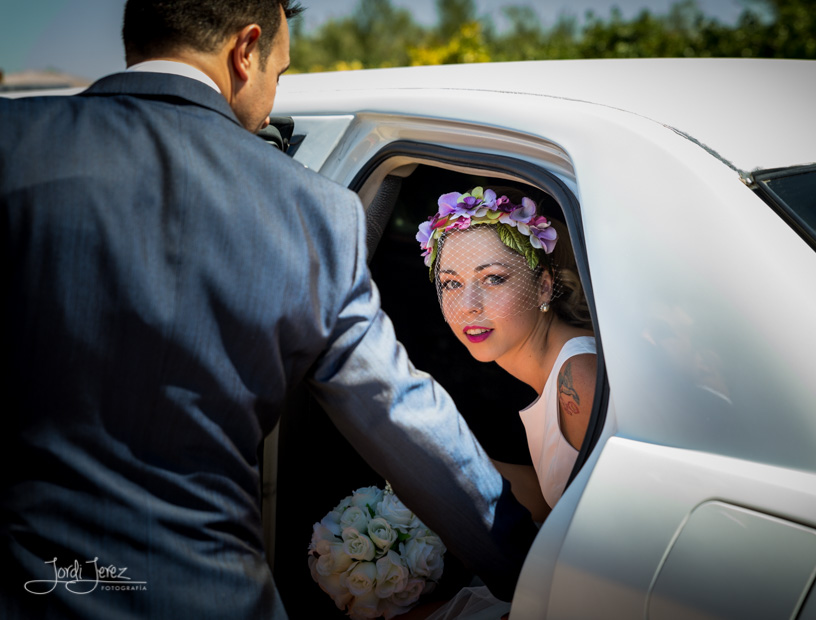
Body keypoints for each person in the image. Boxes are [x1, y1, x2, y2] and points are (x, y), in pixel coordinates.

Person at [0, 2, 536, 618]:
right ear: (246, 49)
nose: (272, 87)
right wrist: (529, 565)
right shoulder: (314, 213)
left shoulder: (15, 144)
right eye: (280, 72)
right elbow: (401, 412)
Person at [416, 186, 598, 523]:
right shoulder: (558, 368)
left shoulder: (580, 378)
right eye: (452, 283)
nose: (469, 307)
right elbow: (553, 497)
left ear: (543, 285)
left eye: (493, 279)